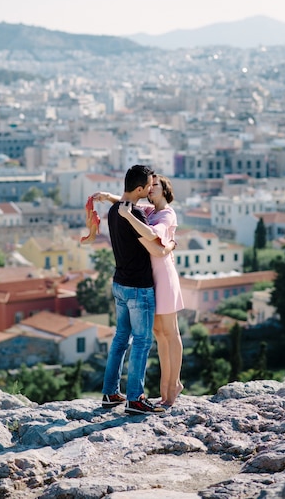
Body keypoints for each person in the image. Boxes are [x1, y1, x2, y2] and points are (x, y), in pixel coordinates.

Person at [96, 174, 184, 407]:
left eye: (156, 185)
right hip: (148, 280)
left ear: (165, 191)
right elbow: (130, 203)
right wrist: (109, 198)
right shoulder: (149, 211)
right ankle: (164, 389)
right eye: (149, 185)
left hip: (163, 278)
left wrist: (128, 218)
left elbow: (153, 237)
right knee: (159, 335)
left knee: (171, 333)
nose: (151, 188)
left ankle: (173, 385)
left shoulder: (166, 214)